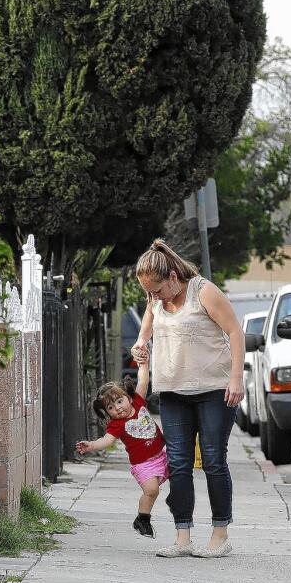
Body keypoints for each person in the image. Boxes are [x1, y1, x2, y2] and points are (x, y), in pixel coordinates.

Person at [131, 239, 245, 558]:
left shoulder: (203, 291)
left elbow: (235, 332)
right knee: (179, 465)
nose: (152, 297)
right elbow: (146, 330)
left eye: (156, 289)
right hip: (172, 392)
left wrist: (236, 378)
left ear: (173, 278)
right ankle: (183, 537)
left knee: (212, 460)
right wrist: (140, 344)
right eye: (148, 292)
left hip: (214, 390)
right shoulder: (155, 300)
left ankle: (220, 534)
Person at [75, 357, 168, 539]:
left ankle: (176, 502)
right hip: (143, 464)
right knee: (151, 491)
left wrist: (144, 363)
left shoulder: (139, 402)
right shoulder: (116, 425)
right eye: (110, 407)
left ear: (128, 397)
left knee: (182, 472)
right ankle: (142, 518)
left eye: (119, 401)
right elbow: (107, 440)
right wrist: (92, 445)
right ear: (107, 412)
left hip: (162, 455)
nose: (117, 408)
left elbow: (143, 380)